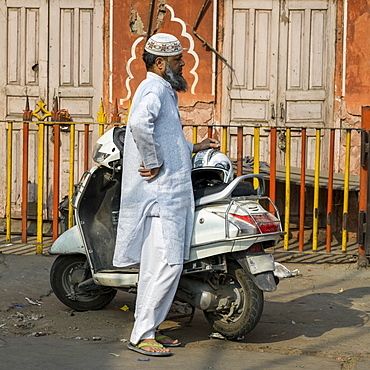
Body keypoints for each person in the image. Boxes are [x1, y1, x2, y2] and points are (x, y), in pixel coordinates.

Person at [113, 33, 220, 356]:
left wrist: (195, 147)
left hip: (169, 196)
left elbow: (168, 139)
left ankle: (149, 330)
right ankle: (142, 335)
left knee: (157, 266)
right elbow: (138, 125)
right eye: (178, 60)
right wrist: (153, 161)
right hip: (163, 198)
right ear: (160, 63)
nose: (183, 63)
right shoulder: (153, 89)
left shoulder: (163, 91)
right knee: (167, 264)